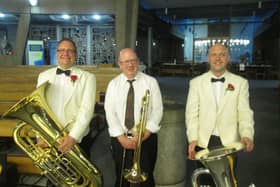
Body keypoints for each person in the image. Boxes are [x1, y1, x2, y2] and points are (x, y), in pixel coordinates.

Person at [186, 44, 254, 185]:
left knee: (227, 180)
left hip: (229, 142)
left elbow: (245, 113)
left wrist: (247, 135)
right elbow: (191, 114)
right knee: (205, 180)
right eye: (214, 55)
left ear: (228, 58)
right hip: (203, 141)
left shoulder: (240, 83)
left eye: (222, 54)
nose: (218, 58)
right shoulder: (196, 83)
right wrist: (192, 138)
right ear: (208, 58)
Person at [104, 48, 163, 187]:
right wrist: (120, 137)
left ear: (138, 62)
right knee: (121, 177)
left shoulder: (151, 82)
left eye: (133, 61)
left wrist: (145, 133)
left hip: (145, 137)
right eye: (126, 62)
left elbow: (158, 110)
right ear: (120, 64)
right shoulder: (113, 84)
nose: (130, 65)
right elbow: (110, 112)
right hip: (121, 138)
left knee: (147, 177)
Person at [36, 38, 96, 154]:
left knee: (78, 172)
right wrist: (39, 135)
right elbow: (38, 108)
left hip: (77, 138)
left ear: (75, 54)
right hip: (49, 136)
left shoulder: (88, 78)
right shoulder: (43, 76)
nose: (65, 54)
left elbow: (86, 111)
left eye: (70, 50)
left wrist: (73, 137)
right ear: (57, 53)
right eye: (61, 50)